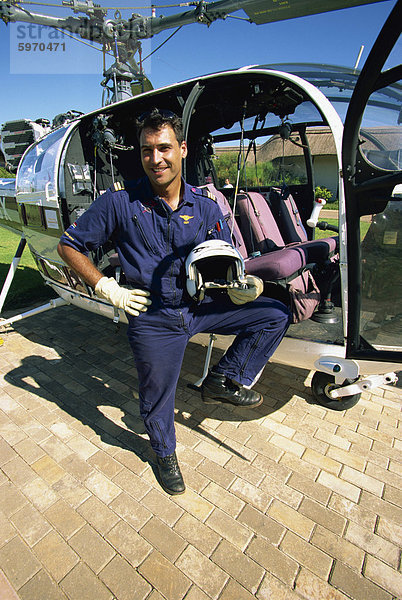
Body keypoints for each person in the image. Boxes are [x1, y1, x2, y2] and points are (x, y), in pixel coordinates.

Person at [57, 108, 291, 495]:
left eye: (164, 148)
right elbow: (70, 245)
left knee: (275, 313)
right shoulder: (121, 203)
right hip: (153, 316)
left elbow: (224, 253)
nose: (155, 159)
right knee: (157, 396)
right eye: (147, 150)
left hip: (200, 306)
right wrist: (105, 287)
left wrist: (240, 283)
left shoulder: (205, 206)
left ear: (182, 149)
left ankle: (224, 378)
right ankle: (164, 453)